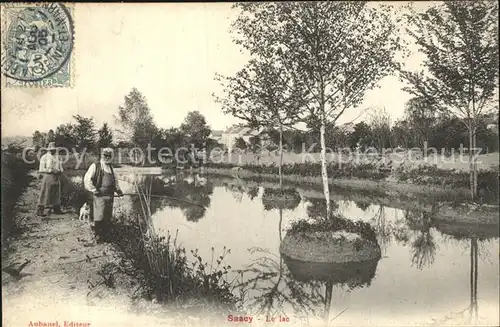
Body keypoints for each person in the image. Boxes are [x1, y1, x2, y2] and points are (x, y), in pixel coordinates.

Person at [83, 148, 123, 243]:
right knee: (99, 216)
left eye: (109, 156)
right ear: (102, 155)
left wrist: (118, 190)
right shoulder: (95, 166)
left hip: (110, 196)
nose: (106, 157)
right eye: (105, 155)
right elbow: (87, 179)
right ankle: (98, 236)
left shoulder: (111, 168)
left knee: (107, 216)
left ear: (111, 157)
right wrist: (94, 190)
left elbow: (115, 181)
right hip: (99, 195)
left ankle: (106, 236)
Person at [37, 142, 64, 216]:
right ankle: (40, 209)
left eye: (54, 149)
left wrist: (60, 171)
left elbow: (61, 167)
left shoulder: (57, 157)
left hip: (56, 177)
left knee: (56, 193)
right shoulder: (44, 157)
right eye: (51, 150)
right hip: (48, 176)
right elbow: (41, 169)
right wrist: (51, 170)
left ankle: (57, 209)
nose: (53, 151)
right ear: (48, 150)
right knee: (45, 192)